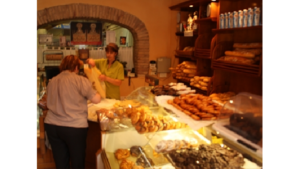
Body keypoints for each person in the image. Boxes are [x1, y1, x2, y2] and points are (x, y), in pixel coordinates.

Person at [44, 55, 101, 169]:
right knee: (77, 162)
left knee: (61, 162)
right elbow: (96, 99)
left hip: (52, 126)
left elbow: (48, 100)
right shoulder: (80, 80)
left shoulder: (52, 81)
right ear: (76, 67)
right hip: (74, 127)